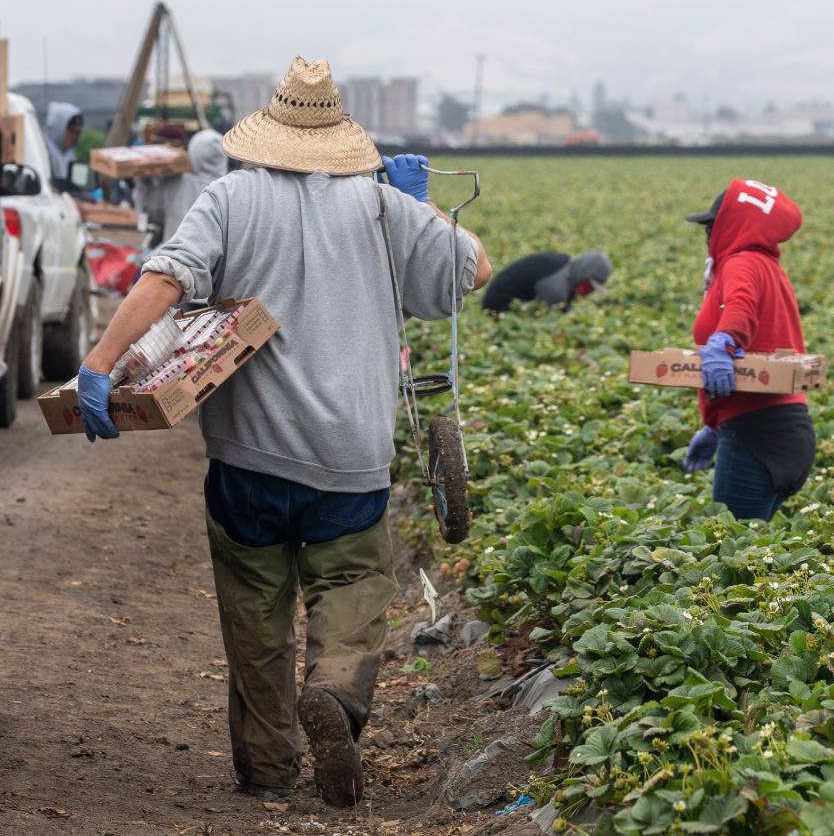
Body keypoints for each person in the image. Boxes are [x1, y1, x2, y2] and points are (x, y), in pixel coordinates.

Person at [73, 57, 492, 807]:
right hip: (352, 458)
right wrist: (419, 203)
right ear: (340, 137)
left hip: (248, 461)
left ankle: (267, 766)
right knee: (353, 587)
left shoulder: (229, 198)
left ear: (269, 130)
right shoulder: (383, 208)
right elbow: (475, 270)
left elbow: (167, 276)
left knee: (255, 610)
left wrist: (101, 363)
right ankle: (334, 693)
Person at [680, 179, 816, 521]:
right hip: (787, 429)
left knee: (733, 554)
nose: (708, 237)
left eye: (711, 227)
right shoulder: (767, 267)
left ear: (730, 225)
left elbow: (740, 308)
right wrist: (713, 426)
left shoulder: (741, 262)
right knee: (754, 551)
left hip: (756, 434)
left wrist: (724, 340)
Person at [134, 129, 230, 251]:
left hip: (175, 257)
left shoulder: (177, 182)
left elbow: (151, 211)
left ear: (193, 151)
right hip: (217, 262)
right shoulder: (232, 188)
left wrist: (141, 182)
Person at [480, 249, 611, 313]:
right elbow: (553, 320)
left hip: (519, 302)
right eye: (590, 286)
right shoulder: (556, 286)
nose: (589, 291)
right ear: (584, 275)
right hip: (498, 304)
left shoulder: (567, 266)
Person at [43, 102, 83, 181]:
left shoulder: (69, 155)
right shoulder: (42, 153)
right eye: (71, 131)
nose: (74, 136)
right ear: (58, 127)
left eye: (77, 132)